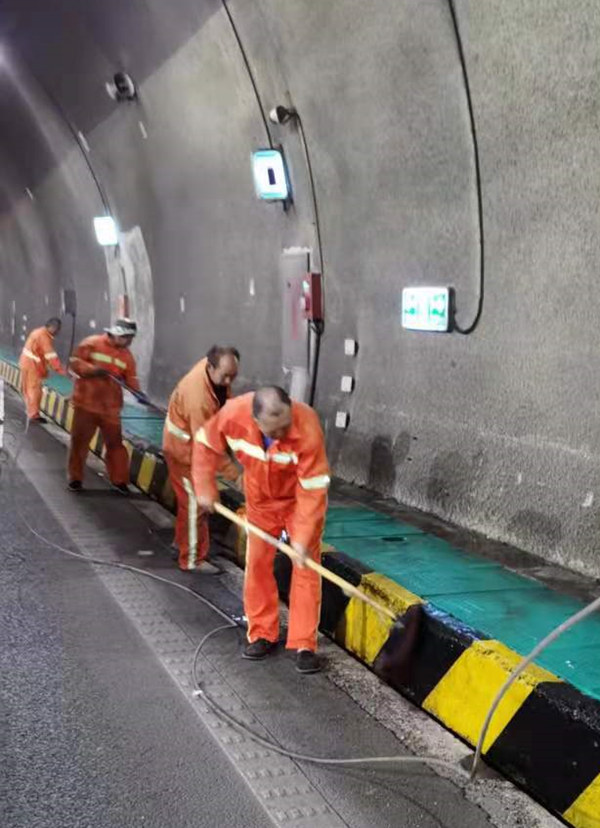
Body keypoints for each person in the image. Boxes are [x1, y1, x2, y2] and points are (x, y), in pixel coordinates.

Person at [193, 386, 330, 674]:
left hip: (298, 503)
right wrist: (205, 486)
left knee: (305, 567)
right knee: (257, 565)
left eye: (286, 426)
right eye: (275, 430)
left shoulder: (307, 425)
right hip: (260, 502)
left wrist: (303, 537)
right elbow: (205, 442)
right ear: (256, 421)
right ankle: (262, 633)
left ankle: (304, 644)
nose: (282, 434)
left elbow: (313, 487)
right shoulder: (233, 414)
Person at [163, 345, 241, 574]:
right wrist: (235, 475)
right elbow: (206, 444)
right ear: (211, 367)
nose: (229, 381)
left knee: (188, 503)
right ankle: (192, 560)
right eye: (225, 376)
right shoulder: (199, 399)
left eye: (233, 376)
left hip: (189, 446)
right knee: (195, 506)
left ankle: (181, 543)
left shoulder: (212, 374)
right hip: (184, 453)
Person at [67, 318, 143, 493]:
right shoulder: (91, 344)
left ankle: (119, 480)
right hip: (86, 404)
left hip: (111, 408)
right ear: (118, 335)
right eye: (128, 338)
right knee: (79, 443)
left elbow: (131, 377)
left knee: (115, 445)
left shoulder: (126, 356)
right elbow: (75, 364)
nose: (130, 342)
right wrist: (93, 370)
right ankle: (75, 478)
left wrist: (138, 392)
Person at [19, 317, 66, 422]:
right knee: (34, 390)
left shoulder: (39, 332)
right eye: (58, 329)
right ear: (53, 327)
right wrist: (61, 370)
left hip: (26, 363)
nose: (58, 332)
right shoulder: (43, 337)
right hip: (32, 366)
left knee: (29, 389)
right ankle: (33, 414)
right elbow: (50, 356)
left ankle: (30, 410)